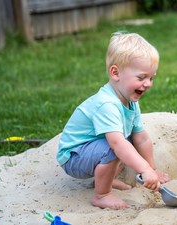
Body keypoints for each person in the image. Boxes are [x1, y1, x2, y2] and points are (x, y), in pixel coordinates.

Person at [57, 32, 169, 210]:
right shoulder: (107, 104)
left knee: (130, 140)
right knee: (117, 146)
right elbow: (117, 145)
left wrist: (152, 168)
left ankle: (107, 178)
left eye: (151, 77)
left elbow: (142, 138)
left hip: (92, 148)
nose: (147, 83)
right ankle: (102, 195)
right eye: (141, 78)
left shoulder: (130, 101)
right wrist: (144, 170)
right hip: (73, 156)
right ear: (115, 73)